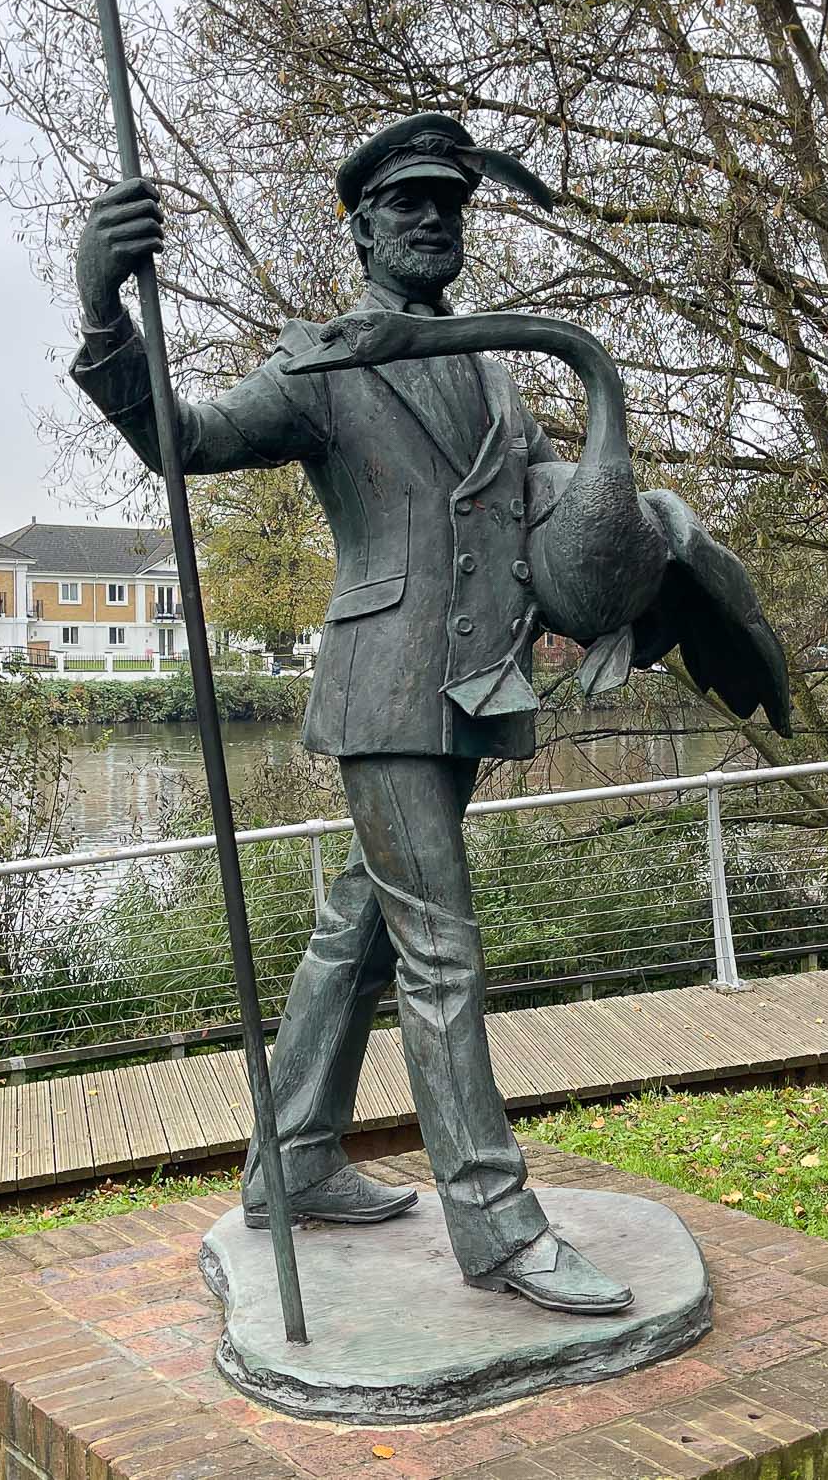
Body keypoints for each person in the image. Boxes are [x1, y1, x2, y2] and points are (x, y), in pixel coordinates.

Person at [72, 114, 633, 1313]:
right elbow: (188, 440)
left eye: (450, 205)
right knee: (443, 944)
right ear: (364, 225)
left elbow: (541, 513)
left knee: (360, 926)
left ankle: (295, 1158)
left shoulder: (492, 367)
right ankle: (496, 1221)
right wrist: (102, 313)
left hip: (474, 687)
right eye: (408, 205)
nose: (434, 221)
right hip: (383, 687)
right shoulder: (327, 359)